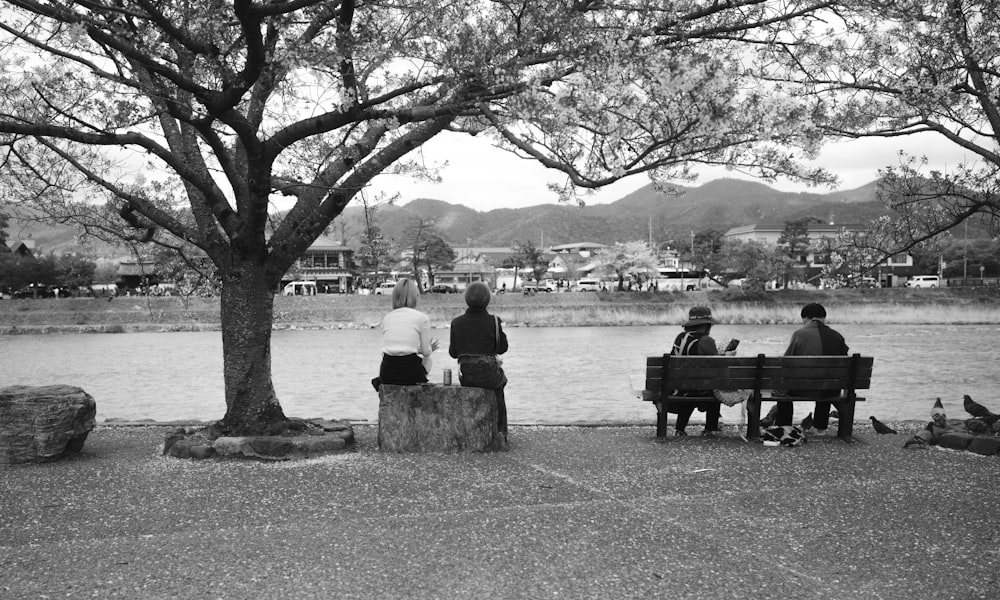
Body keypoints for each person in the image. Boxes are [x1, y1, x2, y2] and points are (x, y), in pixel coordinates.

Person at [449, 281, 509, 438]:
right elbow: (502, 348)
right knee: (500, 385)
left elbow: (454, 353)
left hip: (467, 375)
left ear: (466, 299)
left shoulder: (456, 323)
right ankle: (500, 431)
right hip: (489, 374)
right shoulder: (494, 321)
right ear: (488, 300)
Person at [776, 302, 849, 429]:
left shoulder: (799, 335)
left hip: (801, 389)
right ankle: (820, 426)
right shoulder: (837, 336)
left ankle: (784, 426)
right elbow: (846, 363)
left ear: (805, 318)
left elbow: (786, 362)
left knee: (783, 390)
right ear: (824, 317)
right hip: (831, 390)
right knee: (827, 381)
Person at [373, 278, 439, 389]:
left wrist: (417, 349)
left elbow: (395, 347)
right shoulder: (422, 318)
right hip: (410, 372)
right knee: (428, 360)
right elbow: (426, 353)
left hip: (387, 372)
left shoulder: (387, 318)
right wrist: (428, 349)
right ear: (416, 296)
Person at [669, 305, 722, 436]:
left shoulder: (680, 338)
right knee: (714, 389)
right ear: (705, 326)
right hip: (700, 389)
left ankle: (679, 429)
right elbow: (718, 365)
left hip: (677, 388)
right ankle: (710, 428)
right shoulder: (706, 341)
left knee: (690, 385)